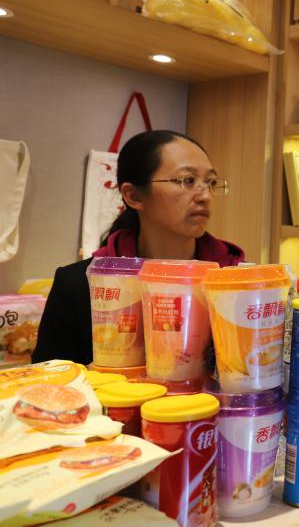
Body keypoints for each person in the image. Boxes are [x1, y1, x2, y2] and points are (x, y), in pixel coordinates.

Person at [33, 130, 244, 365]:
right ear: (133, 196)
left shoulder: (236, 281)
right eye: (187, 180)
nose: (205, 196)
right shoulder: (79, 284)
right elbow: (46, 381)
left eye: (210, 182)